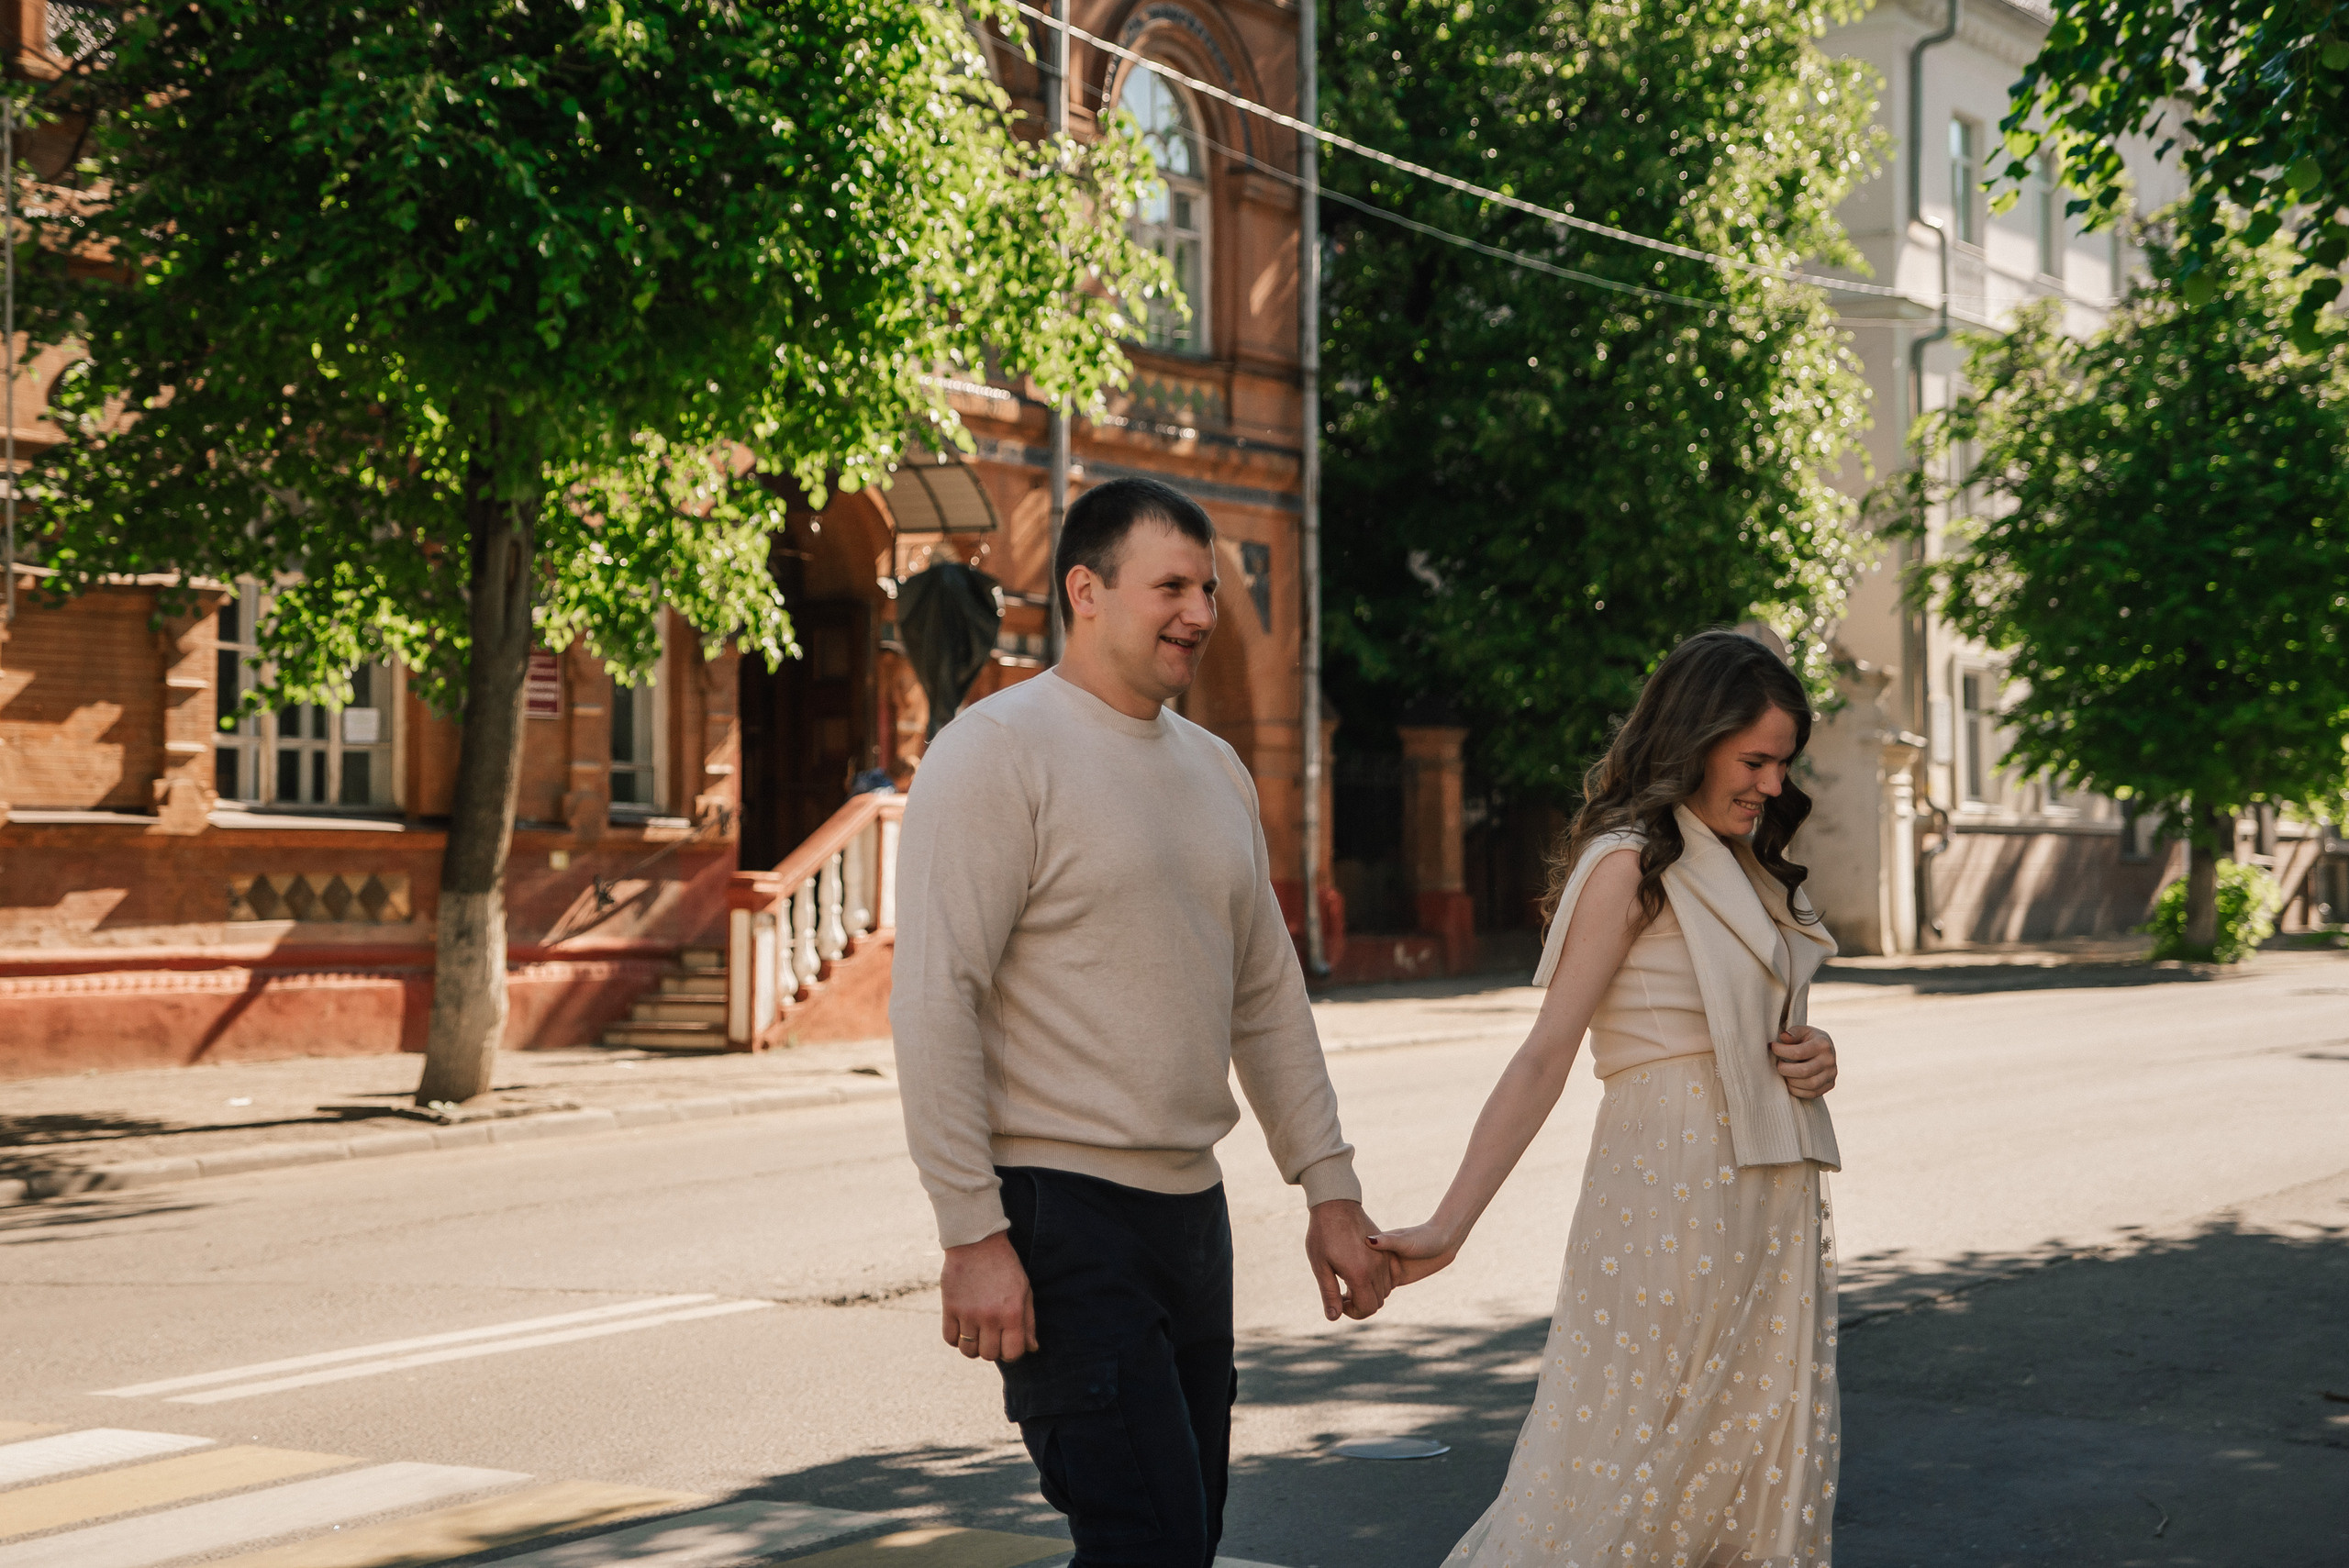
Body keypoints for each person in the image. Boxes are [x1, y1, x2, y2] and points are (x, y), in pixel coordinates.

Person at [889, 474, 1391, 1566]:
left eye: (1208, 588)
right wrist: (972, 1230)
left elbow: (1265, 998)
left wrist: (1331, 1188)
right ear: (1087, 590)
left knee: (1180, 1537)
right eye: (1172, 585)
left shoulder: (1214, 770)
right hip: (1060, 1212)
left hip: (1188, 1215)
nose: (1201, 613)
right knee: (1149, 1541)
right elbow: (936, 996)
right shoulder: (997, 750)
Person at [1371, 629, 1844, 1567]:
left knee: (1743, 1457)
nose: (1771, 784)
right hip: (1670, 1185)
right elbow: (1545, 1054)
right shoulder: (1629, 859)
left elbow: (1757, 1023)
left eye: (1783, 763)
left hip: (1775, 1195)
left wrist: (1815, 1053)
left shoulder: (1749, 863)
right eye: (1754, 759)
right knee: (1628, 1458)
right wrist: (1449, 1223)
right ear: (1694, 739)